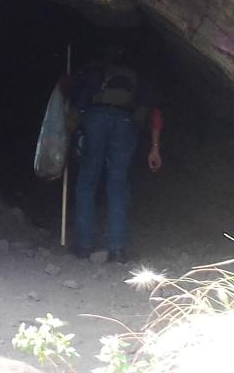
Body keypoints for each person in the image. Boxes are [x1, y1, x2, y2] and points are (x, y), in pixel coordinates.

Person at [67, 45, 163, 263]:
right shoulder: (138, 76)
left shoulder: (96, 70)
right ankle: (117, 248)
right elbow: (153, 110)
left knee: (87, 181)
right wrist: (155, 147)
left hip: (95, 120)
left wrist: (68, 131)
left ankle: (83, 246)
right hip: (125, 122)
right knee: (118, 184)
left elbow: (77, 100)